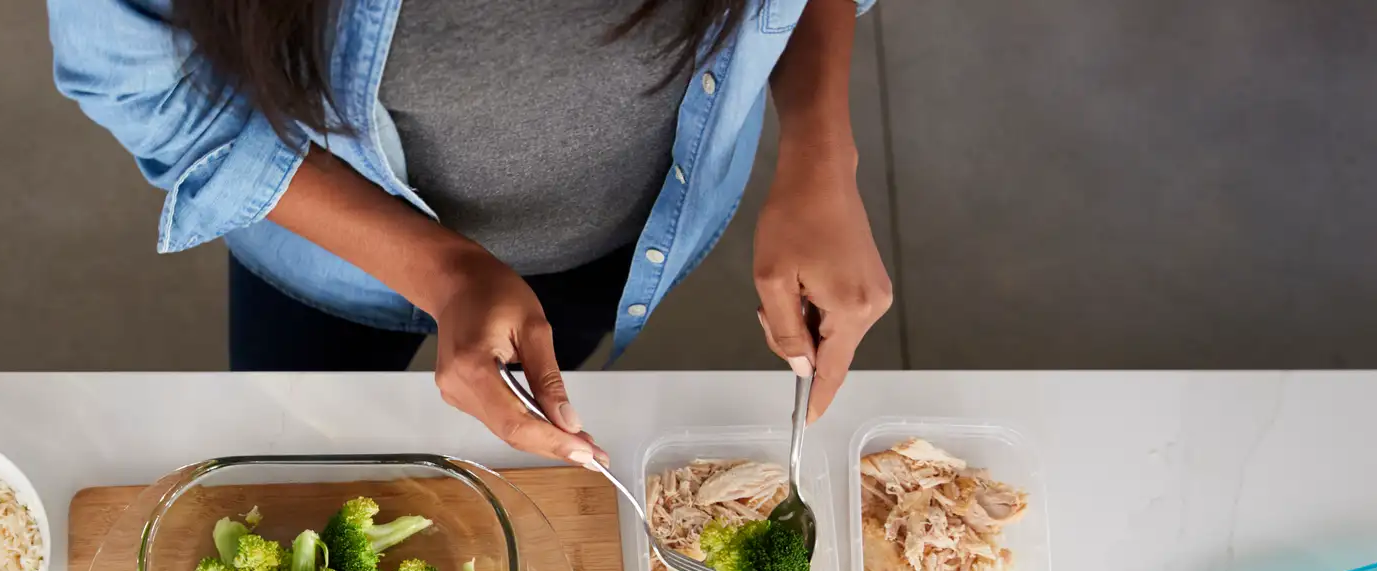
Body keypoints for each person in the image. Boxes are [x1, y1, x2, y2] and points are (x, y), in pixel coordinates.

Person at [49, 0, 892, 464]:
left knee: (530, 421)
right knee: (287, 456)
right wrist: (443, 271)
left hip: (608, 237)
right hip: (321, 248)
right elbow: (144, 84)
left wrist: (822, 154)